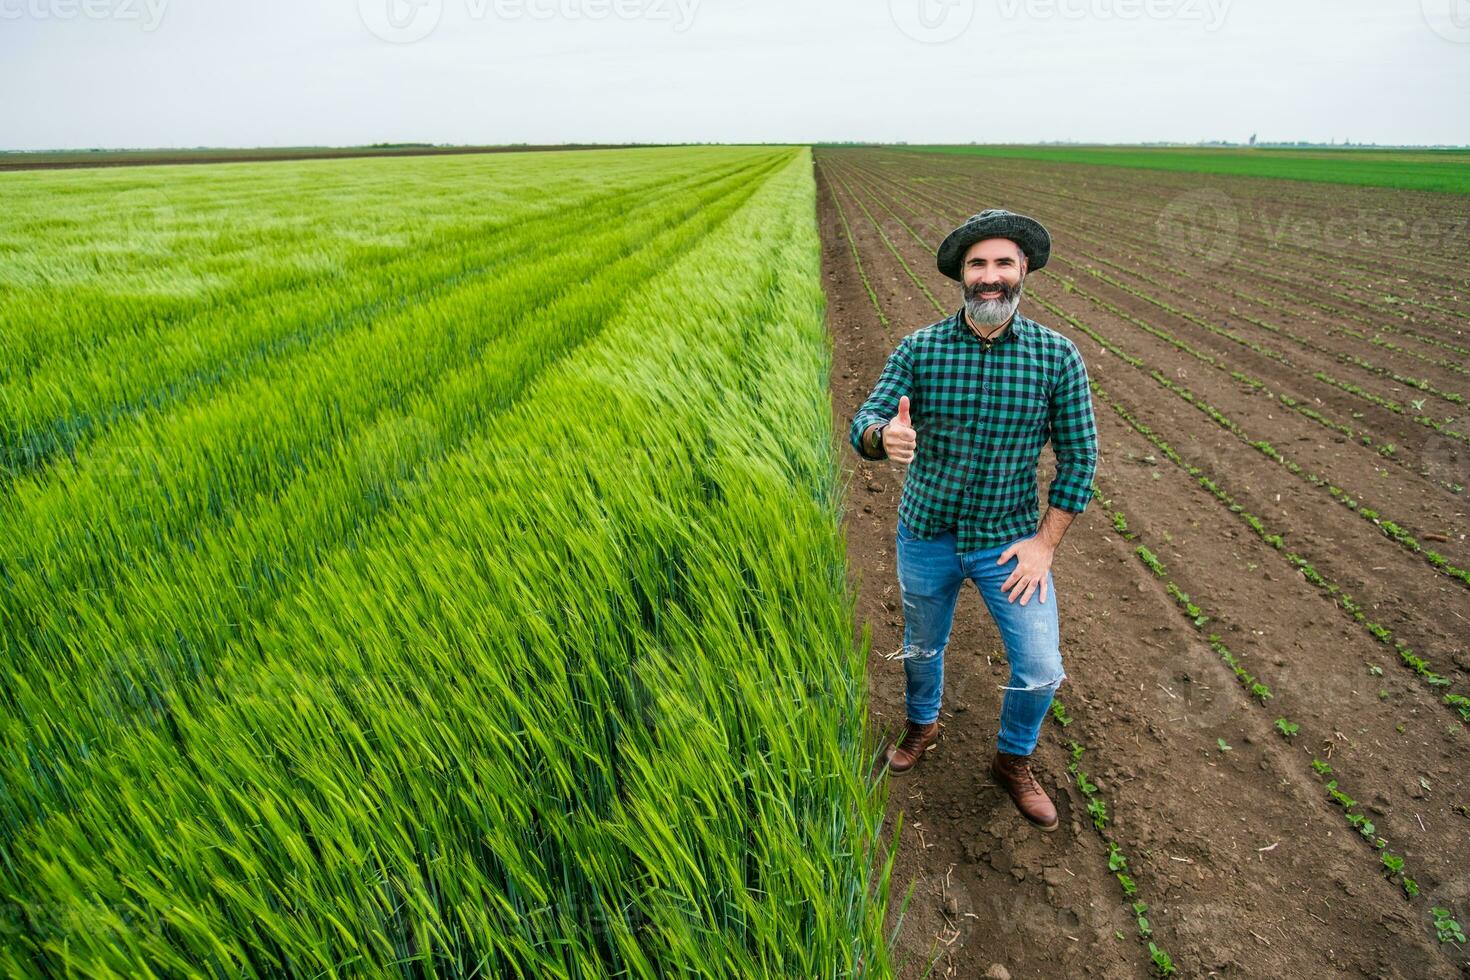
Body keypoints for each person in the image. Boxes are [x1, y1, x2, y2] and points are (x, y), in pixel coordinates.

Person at [849, 209, 1098, 832]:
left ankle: (1012, 762)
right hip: (926, 534)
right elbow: (868, 419)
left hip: (1009, 546)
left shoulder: (1056, 357)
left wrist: (1044, 544)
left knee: (1040, 668)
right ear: (961, 275)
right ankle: (921, 726)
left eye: (1003, 264)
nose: (990, 277)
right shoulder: (920, 349)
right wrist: (885, 437)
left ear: (1024, 272)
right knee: (923, 644)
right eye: (978, 265)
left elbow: (1080, 456)